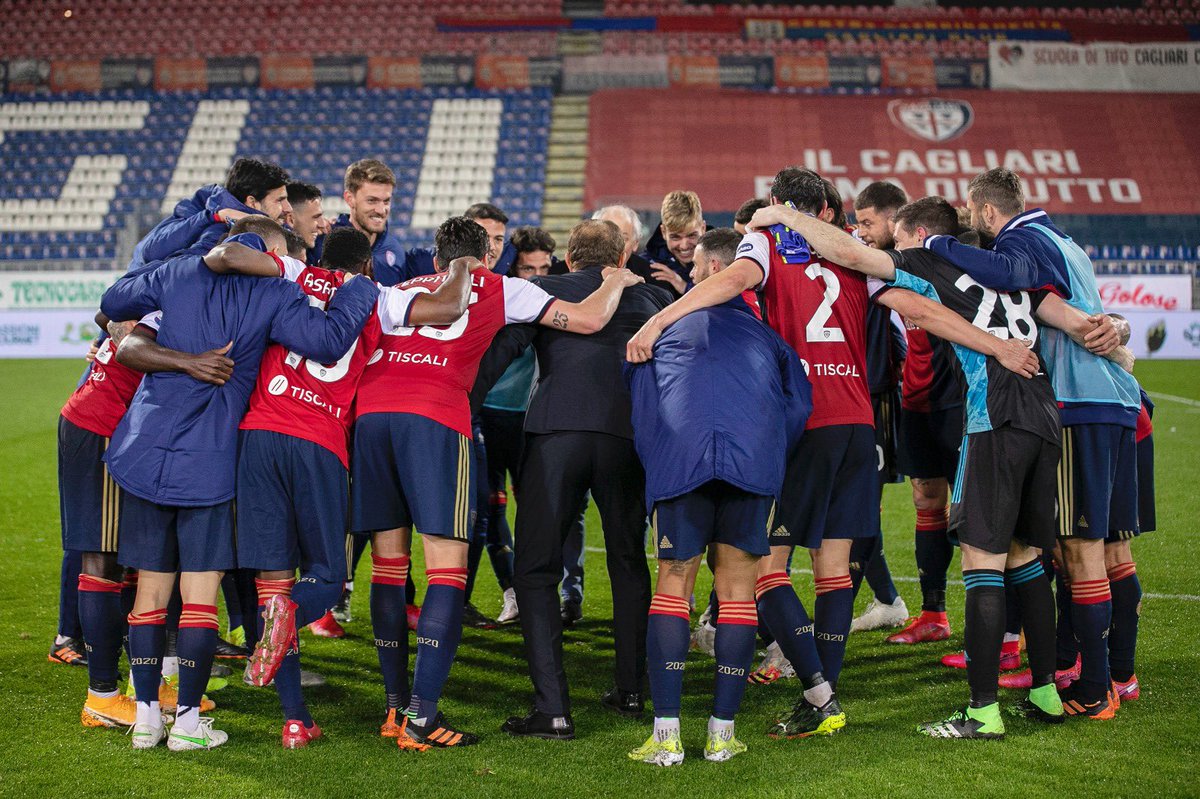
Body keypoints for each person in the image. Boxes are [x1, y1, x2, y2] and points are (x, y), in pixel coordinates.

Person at [629, 166, 1045, 739]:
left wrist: (661, 316)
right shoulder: (854, 255)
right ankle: (826, 696)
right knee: (832, 572)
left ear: (777, 203)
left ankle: (818, 695)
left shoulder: (767, 240)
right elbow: (921, 310)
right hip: (858, 426)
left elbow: (731, 280)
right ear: (824, 209)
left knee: (763, 576)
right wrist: (998, 345)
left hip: (803, 422)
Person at [750, 194, 1125, 738]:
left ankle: (982, 713)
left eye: (900, 238)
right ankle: (1045, 691)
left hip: (992, 416)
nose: (893, 246)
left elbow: (856, 258)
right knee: (1024, 558)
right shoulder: (1006, 270)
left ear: (923, 235)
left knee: (980, 562)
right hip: (1043, 413)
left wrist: (786, 216)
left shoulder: (929, 261)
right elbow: (1071, 319)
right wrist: (1117, 334)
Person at [350, 216, 644, 750]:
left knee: (389, 566)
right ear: (486, 256)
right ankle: (422, 718)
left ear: (437, 260)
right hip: (438, 416)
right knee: (446, 568)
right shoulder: (505, 286)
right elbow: (586, 320)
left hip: (370, 416)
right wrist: (616, 281)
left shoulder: (392, 290)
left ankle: (393, 707)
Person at [100, 216, 379, 751]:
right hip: (211, 458)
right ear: (270, 254)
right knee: (200, 597)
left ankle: (144, 717)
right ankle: (185, 723)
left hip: (144, 450)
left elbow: (113, 303)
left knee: (150, 595)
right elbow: (326, 341)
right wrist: (360, 290)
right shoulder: (273, 292)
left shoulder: (176, 273)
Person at [199, 226, 471, 747]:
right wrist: (461, 267)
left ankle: (295, 720)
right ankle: (287, 618)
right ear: (368, 268)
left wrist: (266, 253)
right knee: (324, 577)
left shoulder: (294, 273)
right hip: (319, 440)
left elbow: (231, 259)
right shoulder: (380, 296)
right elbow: (446, 310)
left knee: (273, 583)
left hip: (258, 436)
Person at [922, 168, 1143, 719]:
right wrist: (1116, 329)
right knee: (1107, 547)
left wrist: (933, 243)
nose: (977, 226)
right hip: (1114, 403)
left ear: (989, 212)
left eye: (975, 217)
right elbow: (1088, 314)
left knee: (1078, 550)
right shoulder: (1066, 242)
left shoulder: (1021, 241)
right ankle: (1108, 670)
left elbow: (1023, 284)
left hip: (1075, 402)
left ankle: (1095, 688)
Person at [468, 220, 671, 740]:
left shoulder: (544, 289)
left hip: (556, 433)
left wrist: (457, 405)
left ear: (568, 258)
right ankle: (631, 688)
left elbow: (500, 352)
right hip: (626, 438)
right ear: (620, 257)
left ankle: (553, 709)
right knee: (628, 560)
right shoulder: (648, 297)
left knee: (536, 569)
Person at [625, 226, 812, 766]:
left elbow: (640, 402)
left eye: (693, 269)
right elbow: (798, 407)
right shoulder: (771, 337)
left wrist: (659, 462)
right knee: (736, 590)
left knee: (674, 582)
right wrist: (764, 454)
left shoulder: (660, 330)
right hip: (750, 465)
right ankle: (721, 734)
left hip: (679, 464)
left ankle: (665, 738)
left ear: (711, 269)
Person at [63, 313, 231, 729]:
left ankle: (146, 688)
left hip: (128, 431)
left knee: (139, 559)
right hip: (101, 424)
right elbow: (111, 312)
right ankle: (101, 696)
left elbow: (112, 311)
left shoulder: (174, 291)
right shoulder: (178, 281)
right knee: (102, 559)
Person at [470, 226, 558, 626]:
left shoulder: (553, 301)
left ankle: (530, 593)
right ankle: (510, 592)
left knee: (534, 510)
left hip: (528, 418)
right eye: (528, 267)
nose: (536, 275)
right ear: (514, 268)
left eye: (543, 267)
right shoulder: (501, 299)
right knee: (489, 508)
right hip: (486, 413)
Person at [131, 158, 292, 270]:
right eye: (280, 200)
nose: (288, 208)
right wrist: (212, 216)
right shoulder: (219, 232)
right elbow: (150, 254)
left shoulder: (258, 229)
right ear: (252, 202)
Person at [308, 159, 406, 285]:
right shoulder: (322, 242)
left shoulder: (395, 250)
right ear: (350, 199)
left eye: (386, 201)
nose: (381, 210)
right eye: (372, 201)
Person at [640, 190, 705, 297]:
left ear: (703, 228)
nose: (684, 246)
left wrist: (685, 287)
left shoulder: (720, 260)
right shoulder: (646, 266)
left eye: (692, 235)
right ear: (663, 232)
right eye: (675, 237)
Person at [285, 181, 328, 255]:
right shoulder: (272, 264)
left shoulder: (317, 252)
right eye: (315, 217)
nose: (322, 225)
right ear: (291, 220)